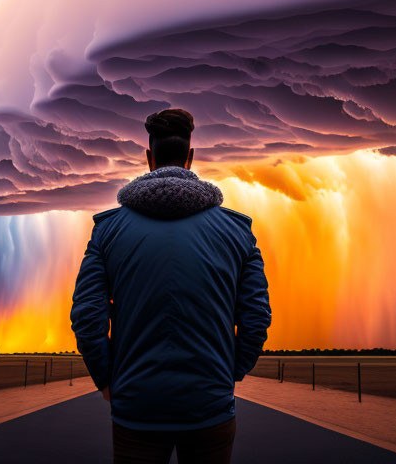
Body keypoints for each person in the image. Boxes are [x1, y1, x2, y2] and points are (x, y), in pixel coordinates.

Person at [71, 108, 272, 464]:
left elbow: (87, 317)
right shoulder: (238, 232)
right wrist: (228, 374)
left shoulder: (107, 231)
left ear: (148, 158)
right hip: (210, 405)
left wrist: (106, 380)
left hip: (136, 407)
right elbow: (256, 317)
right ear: (191, 158)